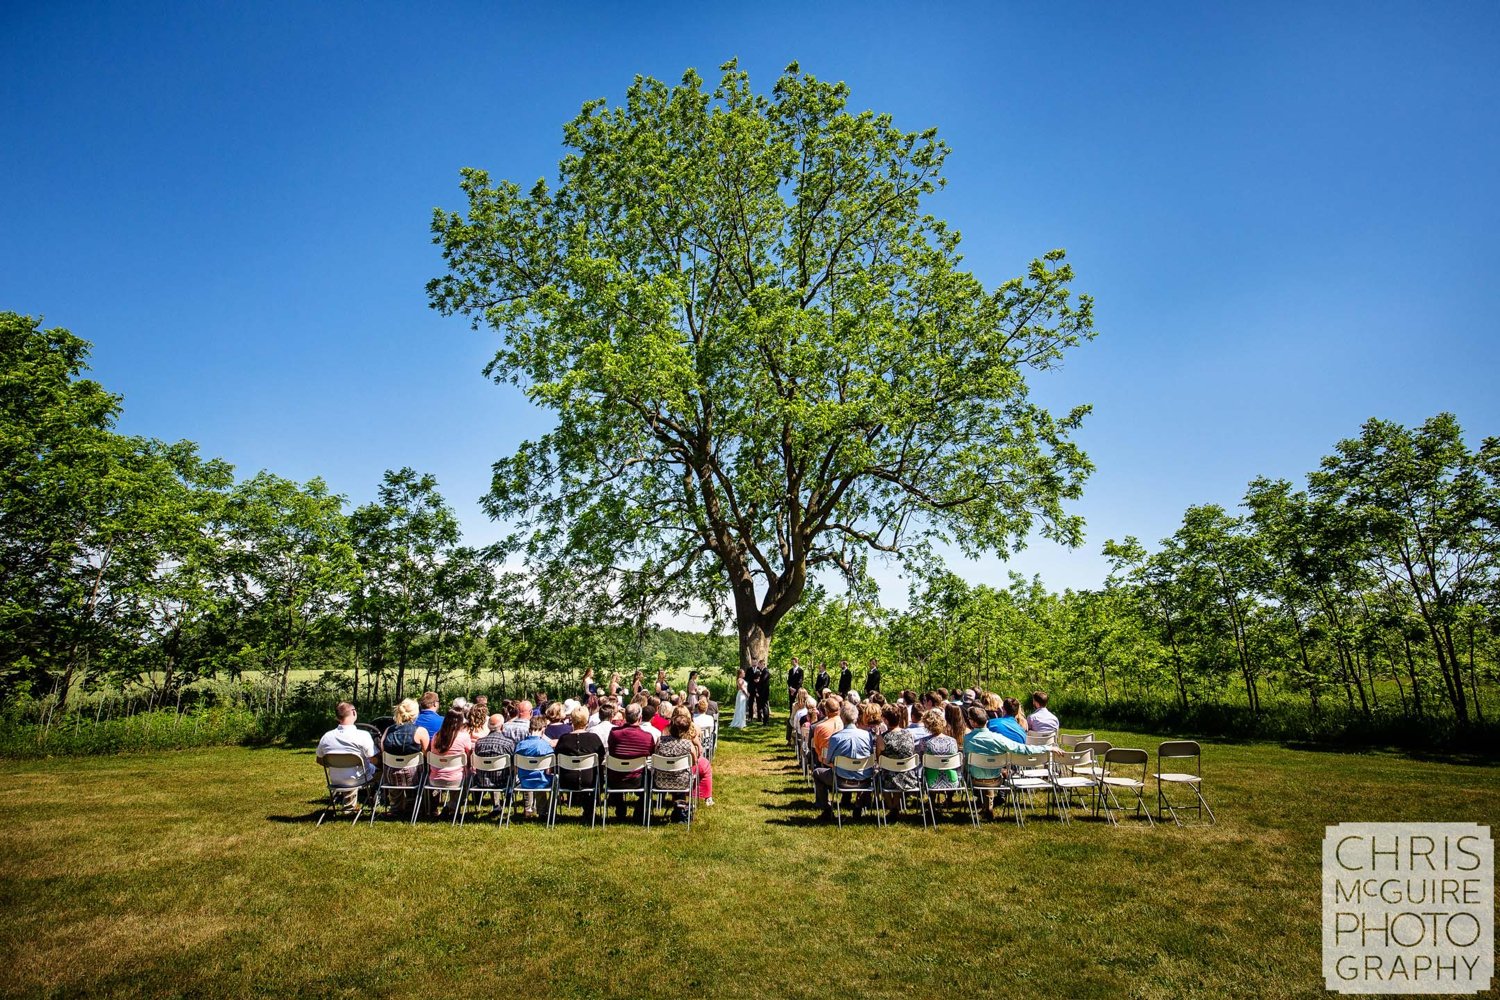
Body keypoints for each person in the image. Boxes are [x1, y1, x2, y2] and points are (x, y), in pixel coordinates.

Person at [964, 705, 1050, 819]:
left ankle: (986, 807)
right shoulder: (998, 738)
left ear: (973, 722)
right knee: (996, 770)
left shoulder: (967, 739)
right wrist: (1047, 748)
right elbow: (1023, 748)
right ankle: (988, 807)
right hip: (996, 780)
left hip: (974, 781)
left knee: (973, 768)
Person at [815, 702, 873, 821]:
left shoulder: (836, 737)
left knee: (817, 773)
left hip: (840, 780)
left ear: (842, 718)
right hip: (864, 779)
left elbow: (828, 760)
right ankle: (858, 805)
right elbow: (870, 756)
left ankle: (826, 809)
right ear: (857, 718)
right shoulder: (867, 735)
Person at [555, 706, 606, 823]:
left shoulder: (564, 739)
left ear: (572, 720)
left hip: (566, 779)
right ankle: (590, 810)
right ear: (587, 721)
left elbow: (556, 757)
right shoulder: (594, 738)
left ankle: (588, 810)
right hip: (590, 780)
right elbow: (601, 757)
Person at [606, 703, 655, 820]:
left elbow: (612, 750)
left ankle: (620, 805)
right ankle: (639, 810)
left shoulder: (614, 733)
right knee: (651, 777)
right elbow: (651, 753)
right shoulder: (647, 737)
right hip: (637, 779)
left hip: (615, 778)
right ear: (640, 718)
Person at [652, 707, 702, 821]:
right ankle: (680, 810)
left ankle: (678, 808)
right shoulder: (688, 745)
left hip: (660, 781)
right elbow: (694, 763)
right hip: (682, 782)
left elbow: (655, 755)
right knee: (684, 774)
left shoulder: (660, 741)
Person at [316, 702, 378, 795]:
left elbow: (319, 760)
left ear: (338, 717)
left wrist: (339, 764)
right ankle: (377, 797)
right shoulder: (363, 735)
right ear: (353, 712)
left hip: (335, 780)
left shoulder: (327, 736)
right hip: (359, 779)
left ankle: (349, 805)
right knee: (382, 769)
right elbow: (374, 759)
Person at [425, 707, 474, 818]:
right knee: (473, 776)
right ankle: (451, 806)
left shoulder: (436, 736)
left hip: (434, 780)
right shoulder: (464, 737)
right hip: (456, 779)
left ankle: (450, 807)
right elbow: (469, 759)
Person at [876, 702, 919, 817]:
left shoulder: (882, 738)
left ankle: (892, 807)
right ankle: (895, 807)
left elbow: (878, 759)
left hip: (888, 779)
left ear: (885, 720)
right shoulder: (909, 734)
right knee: (897, 771)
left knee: (881, 774)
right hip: (908, 777)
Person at [513, 716, 554, 820]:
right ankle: (543, 812)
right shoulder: (545, 746)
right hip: (542, 781)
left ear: (529, 729)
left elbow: (516, 768)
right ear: (543, 729)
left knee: (529, 775)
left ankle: (528, 809)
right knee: (543, 778)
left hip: (524, 781)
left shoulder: (520, 745)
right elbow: (549, 769)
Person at [919, 709, 961, 792]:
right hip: (952, 780)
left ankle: (932, 800)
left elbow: (922, 760)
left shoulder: (924, 742)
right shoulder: (952, 741)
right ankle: (950, 798)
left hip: (931, 782)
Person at [754, 659, 772, 724]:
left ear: (762, 664)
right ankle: (763, 719)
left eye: (759, 664)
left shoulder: (766, 671)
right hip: (761, 691)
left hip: (764, 692)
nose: (758, 665)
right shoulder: (761, 671)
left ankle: (766, 721)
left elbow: (763, 680)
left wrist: (758, 681)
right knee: (762, 706)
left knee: (765, 706)